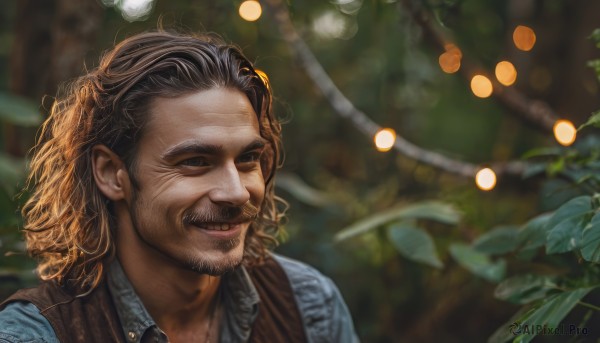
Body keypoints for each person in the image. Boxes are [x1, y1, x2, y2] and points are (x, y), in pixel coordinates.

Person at [0, 30, 358, 343]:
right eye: (195, 162)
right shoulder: (35, 336)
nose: (236, 192)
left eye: (247, 159)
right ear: (111, 173)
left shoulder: (308, 305)